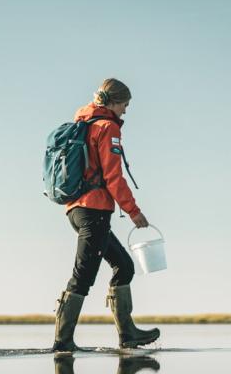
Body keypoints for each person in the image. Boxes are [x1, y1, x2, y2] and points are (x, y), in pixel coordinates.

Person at [52, 78, 160, 353]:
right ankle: (62, 342)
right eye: (125, 104)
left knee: (124, 266)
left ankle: (128, 334)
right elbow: (114, 177)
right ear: (113, 102)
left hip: (77, 210)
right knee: (83, 276)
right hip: (94, 211)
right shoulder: (107, 127)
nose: (125, 110)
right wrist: (134, 212)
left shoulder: (84, 123)